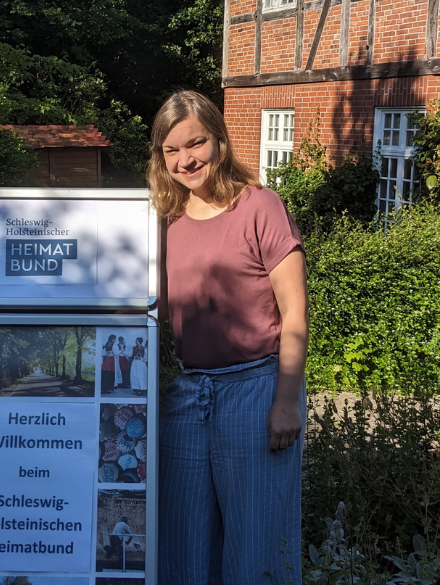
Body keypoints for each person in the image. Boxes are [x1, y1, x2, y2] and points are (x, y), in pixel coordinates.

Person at [150, 90, 307, 585]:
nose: (185, 160)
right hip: (187, 394)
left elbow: (295, 312)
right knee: (182, 544)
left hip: (255, 390)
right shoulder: (165, 218)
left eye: (195, 143)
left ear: (219, 140)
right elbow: (152, 309)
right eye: (171, 150)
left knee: (255, 545)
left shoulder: (260, 206)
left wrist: (287, 401)